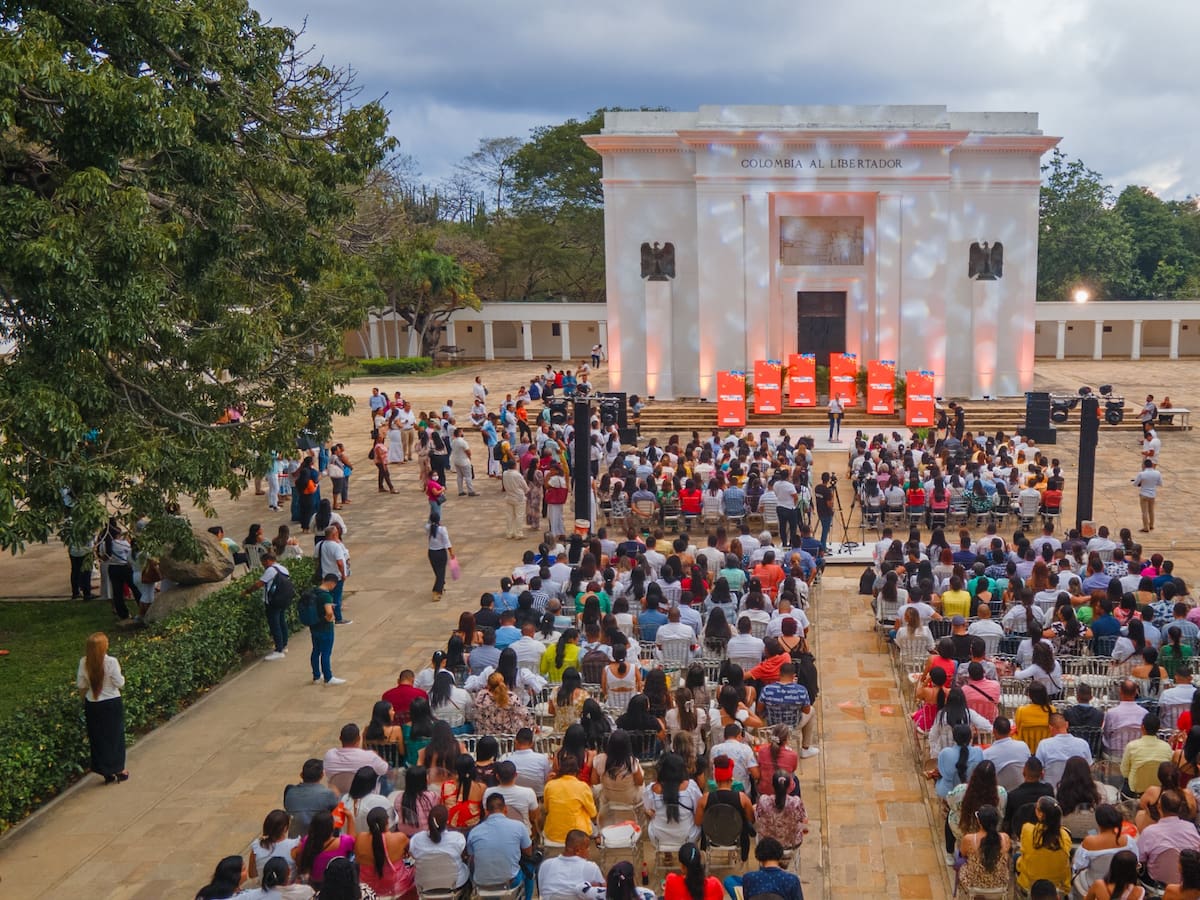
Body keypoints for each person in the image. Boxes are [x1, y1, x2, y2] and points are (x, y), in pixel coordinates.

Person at [77, 631, 128, 783]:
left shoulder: (84, 662)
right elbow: (120, 683)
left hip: (93, 704)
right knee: (115, 736)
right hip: (111, 702)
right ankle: (119, 769)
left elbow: (81, 684)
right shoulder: (111, 662)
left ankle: (105, 771)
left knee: (98, 738)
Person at [467, 793, 533, 899]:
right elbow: (528, 852)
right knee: (530, 866)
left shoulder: (474, 832)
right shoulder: (519, 826)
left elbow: (472, 857)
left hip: (482, 884)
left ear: (486, 811)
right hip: (510, 882)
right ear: (505, 809)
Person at [353, 806, 413, 899]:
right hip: (397, 888)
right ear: (387, 822)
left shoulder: (360, 838)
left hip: (367, 890)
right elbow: (411, 852)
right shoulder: (399, 838)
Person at [1016, 796, 1071, 895]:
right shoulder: (1065, 835)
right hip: (1058, 886)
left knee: (1017, 857)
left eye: (1036, 808)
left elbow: (1024, 851)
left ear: (1041, 814)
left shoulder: (1028, 829)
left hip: (1030, 884)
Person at [408, 805, 470, 892]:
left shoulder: (416, 839)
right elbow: (464, 854)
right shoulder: (457, 838)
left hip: (424, 885)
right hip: (456, 884)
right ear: (447, 821)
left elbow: (413, 856)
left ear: (428, 821)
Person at [957, 803, 1011, 894]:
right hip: (999, 883)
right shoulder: (1005, 838)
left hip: (974, 884)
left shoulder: (969, 839)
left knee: (958, 859)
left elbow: (962, 856)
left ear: (979, 821)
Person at [542, 752, 597, 843]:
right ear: (577, 771)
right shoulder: (582, 787)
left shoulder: (550, 785)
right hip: (578, 834)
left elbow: (547, 809)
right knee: (596, 830)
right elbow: (593, 813)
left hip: (553, 833)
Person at [292, 811, 354, 889]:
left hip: (315, 883)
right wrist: (350, 818)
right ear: (331, 828)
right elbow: (352, 840)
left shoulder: (307, 841)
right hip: (336, 884)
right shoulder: (343, 842)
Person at [537, 830, 604, 900]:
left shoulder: (546, 865)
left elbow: (542, 892)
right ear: (578, 850)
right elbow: (604, 893)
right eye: (587, 847)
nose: (589, 850)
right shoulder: (590, 867)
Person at [284, 759, 339, 838]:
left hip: (296, 839)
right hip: (320, 840)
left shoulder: (290, 792)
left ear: (301, 775)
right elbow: (337, 819)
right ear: (322, 775)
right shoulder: (328, 794)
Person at [754, 770, 808, 850]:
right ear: (789, 786)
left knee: (754, 807)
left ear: (772, 785)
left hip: (768, 844)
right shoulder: (796, 802)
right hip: (792, 843)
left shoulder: (763, 800)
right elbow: (804, 819)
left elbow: (757, 815)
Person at [307, 573, 345, 686]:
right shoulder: (326, 596)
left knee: (316, 651)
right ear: (332, 583)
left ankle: (316, 676)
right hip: (325, 628)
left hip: (314, 626)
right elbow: (328, 612)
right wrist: (329, 618)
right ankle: (328, 677)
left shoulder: (313, 591)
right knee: (326, 653)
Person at [248, 810, 301, 881]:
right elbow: (301, 870)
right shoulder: (294, 845)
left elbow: (252, 874)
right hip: (289, 888)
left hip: (266, 887)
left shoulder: (257, 846)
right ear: (285, 828)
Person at [425, 513, 454, 603]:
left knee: (438, 572)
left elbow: (429, 524)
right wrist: (451, 553)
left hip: (431, 552)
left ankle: (441, 585)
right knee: (441, 573)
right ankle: (436, 591)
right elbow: (447, 542)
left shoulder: (427, 527)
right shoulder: (442, 530)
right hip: (441, 552)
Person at [1133, 458, 1163, 533]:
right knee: (1151, 511)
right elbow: (1160, 483)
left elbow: (1135, 484)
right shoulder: (1157, 473)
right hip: (1152, 494)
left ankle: (1146, 527)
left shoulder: (1142, 474)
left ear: (1144, 465)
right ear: (1152, 465)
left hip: (1144, 494)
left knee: (1144, 512)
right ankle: (1151, 525)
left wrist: (1142, 483)